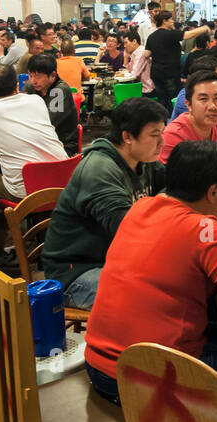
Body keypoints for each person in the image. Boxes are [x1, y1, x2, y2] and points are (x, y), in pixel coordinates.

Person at [84, 141, 217, 401]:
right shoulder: (202, 230)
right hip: (148, 378)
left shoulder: (140, 208)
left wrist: (214, 218)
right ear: (212, 193)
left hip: (99, 365)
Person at [43, 98, 168, 310]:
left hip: (116, 260)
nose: (162, 142)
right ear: (127, 136)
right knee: (151, 301)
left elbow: (176, 184)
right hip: (77, 272)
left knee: (185, 278)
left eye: (162, 133)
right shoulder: (99, 170)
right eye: (155, 135)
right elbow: (128, 229)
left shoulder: (142, 160)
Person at [0, 63, 68, 206]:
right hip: (64, 181)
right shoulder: (36, 100)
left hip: (27, 192)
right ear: (17, 85)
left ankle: (4, 224)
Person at [148, 11, 210, 106]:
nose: (173, 22)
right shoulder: (171, 34)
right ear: (164, 21)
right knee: (174, 99)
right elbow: (190, 35)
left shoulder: (151, 36)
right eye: (171, 19)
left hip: (156, 73)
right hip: (169, 72)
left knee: (162, 99)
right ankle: (174, 118)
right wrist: (204, 28)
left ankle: (164, 118)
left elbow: (146, 54)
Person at [24, 53, 80, 156]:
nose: (33, 81)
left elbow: (48, 123)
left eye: (38, 77)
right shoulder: (30, 86)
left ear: (53, 75)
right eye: (30, 75)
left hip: (62, 145)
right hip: (37, 142)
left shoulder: (60, 90)